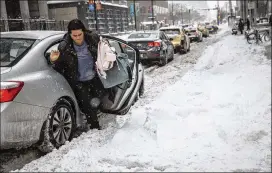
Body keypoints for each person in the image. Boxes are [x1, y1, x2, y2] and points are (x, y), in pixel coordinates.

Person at [50, 19, 105, 130]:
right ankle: (94, 127)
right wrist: (54, 60)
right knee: (88, 105)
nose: (78, 37)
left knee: (99, 99)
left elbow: (103, 52)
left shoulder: (93, 39)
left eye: (80, 34)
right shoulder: (64, 47)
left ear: (83, 31)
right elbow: (60, 68)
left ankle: (95, 113)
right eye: (74, 35)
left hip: (95, 77)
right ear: (70, 34)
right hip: (79, 81)